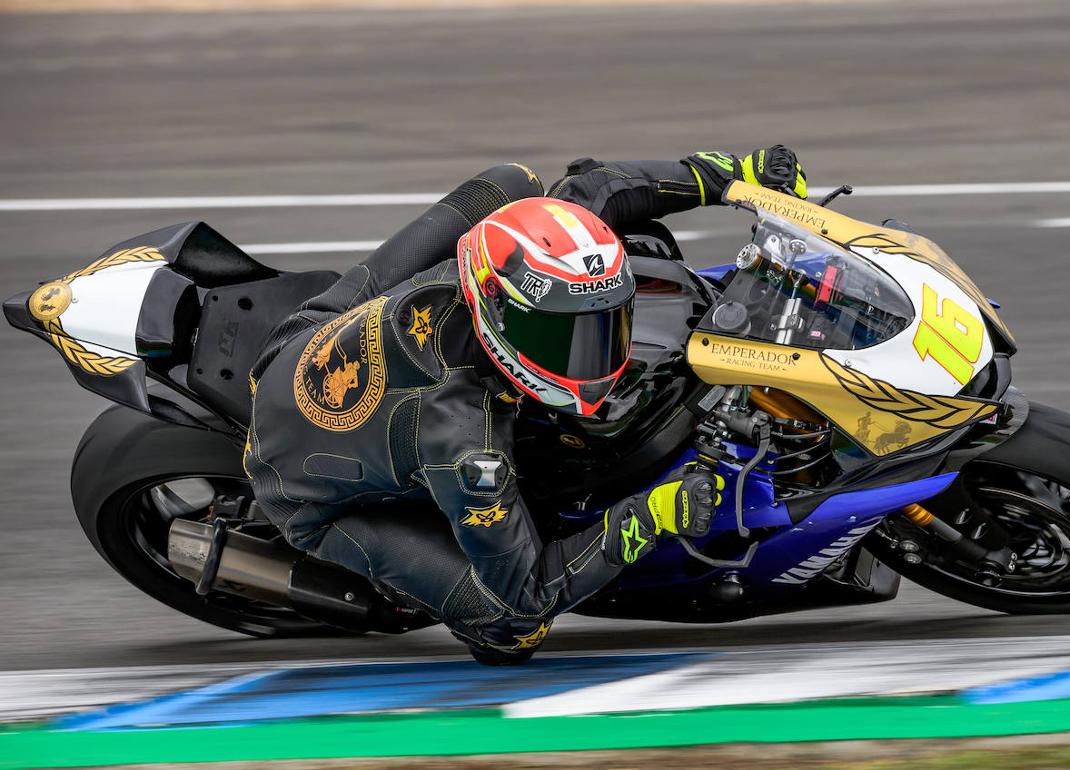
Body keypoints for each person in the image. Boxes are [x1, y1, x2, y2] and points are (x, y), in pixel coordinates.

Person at [243, 147, 807, 663]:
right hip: (301, 487)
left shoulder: (506, 276)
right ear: (499, 313)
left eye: (603, 323)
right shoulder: (466, 444)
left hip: (314, 331)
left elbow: (604, 187)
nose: (591, 355)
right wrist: (654, 513)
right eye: (563, 336)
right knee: (512, 628)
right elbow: (527, 589)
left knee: (516, 184)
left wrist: (740, 176)